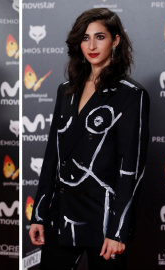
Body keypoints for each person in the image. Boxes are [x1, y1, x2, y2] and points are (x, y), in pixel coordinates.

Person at [29, 8, 149, 270]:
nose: (91, 46)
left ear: (115, 40)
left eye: (100, 37)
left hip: (105, 218)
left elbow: (131, 168)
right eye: (85, 38)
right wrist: (38, 213)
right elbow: (53, 156)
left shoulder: (131, 95)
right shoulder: (66, 91)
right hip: (61, 213)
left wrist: (118, 231)